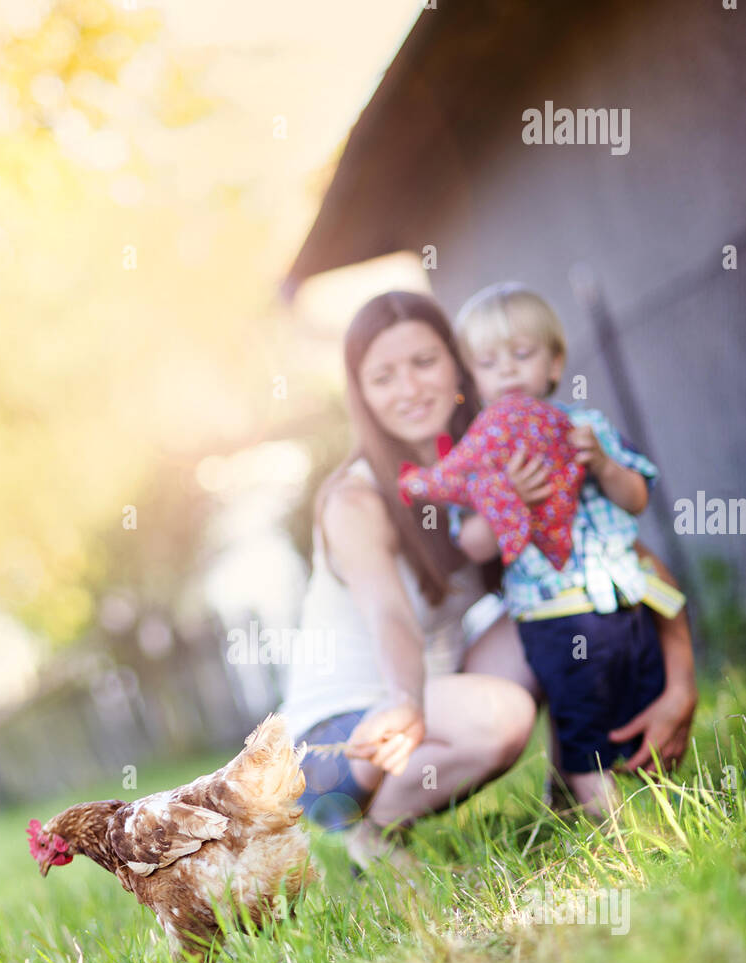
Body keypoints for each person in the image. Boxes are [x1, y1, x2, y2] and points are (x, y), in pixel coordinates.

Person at [276, 291, 696, 867]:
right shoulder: (356, 498)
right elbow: (390, 614)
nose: (410, 389)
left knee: (568, 612)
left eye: (425, 363)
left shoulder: (505, 445)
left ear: (458, 365)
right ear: (362, 394)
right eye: (383, 376)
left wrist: (681, 682)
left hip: (437, 699)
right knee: (501, 717)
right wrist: (403, 698)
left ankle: (573, 789)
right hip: (342, 743)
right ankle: (368, 831)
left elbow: (622, 559)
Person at [436, 282, 690, 813]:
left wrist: (602, 464)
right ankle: (614, 831)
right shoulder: (482, 455)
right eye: (488, 362)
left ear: (555, 364)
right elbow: (474, 544)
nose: (507, 371)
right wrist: (511, 501)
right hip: (554, 614)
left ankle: (640, 804)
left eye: (522, 354)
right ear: (472, 379)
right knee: (581, 721)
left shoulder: (586, 428)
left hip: (623, 599)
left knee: (638, 699)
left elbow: (637, 497)